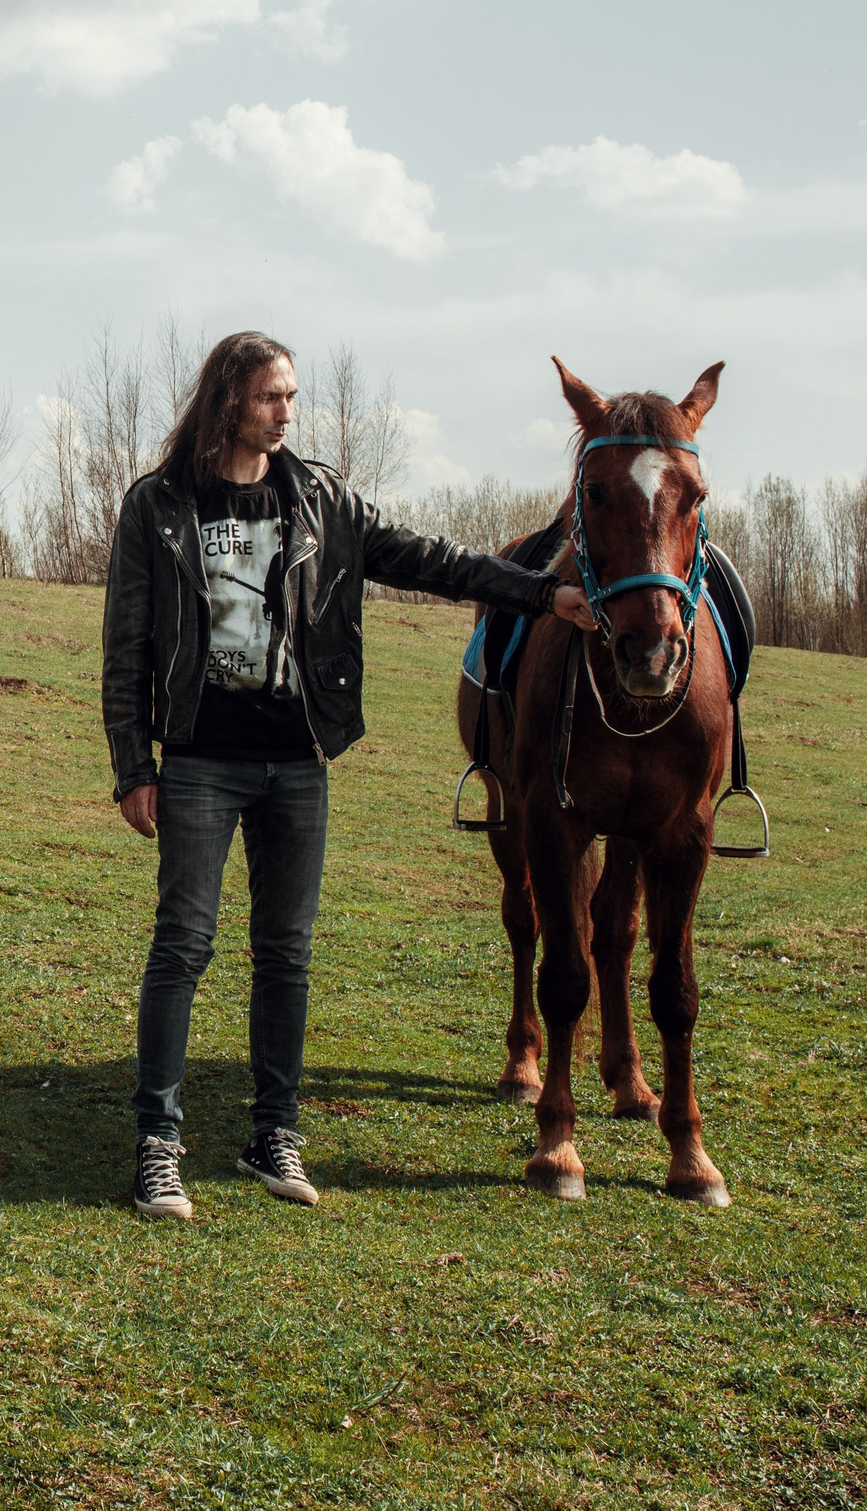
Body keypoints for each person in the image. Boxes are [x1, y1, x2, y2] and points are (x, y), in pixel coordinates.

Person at [100, 331, 597, 1219]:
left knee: (285, 954)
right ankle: (158, 1144)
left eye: (291, 396)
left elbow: (430, 559)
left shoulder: (320, 498)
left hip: (297, 757)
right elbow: (126, 648)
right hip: (201, 760)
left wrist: (541, 591)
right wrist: (134, 765)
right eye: (269, 398)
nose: (287, 412)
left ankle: (273, 1134)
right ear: (227, 403)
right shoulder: (160, 505)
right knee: (184, 945)